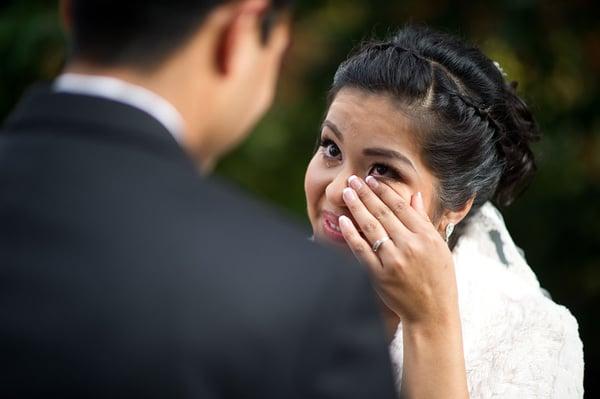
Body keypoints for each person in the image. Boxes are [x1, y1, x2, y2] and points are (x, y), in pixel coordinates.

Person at [0, 1, 399, 398]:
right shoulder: (301, 296)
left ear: (68, 12)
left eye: (384, 170)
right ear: (237, 34)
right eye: (329, 147)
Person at [304, 26, 584, 398]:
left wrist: (429, 324)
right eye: (331, 148)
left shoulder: (533, 341)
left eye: (383, 170)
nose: (337, 189)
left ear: (457, 204)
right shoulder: (265, 275)